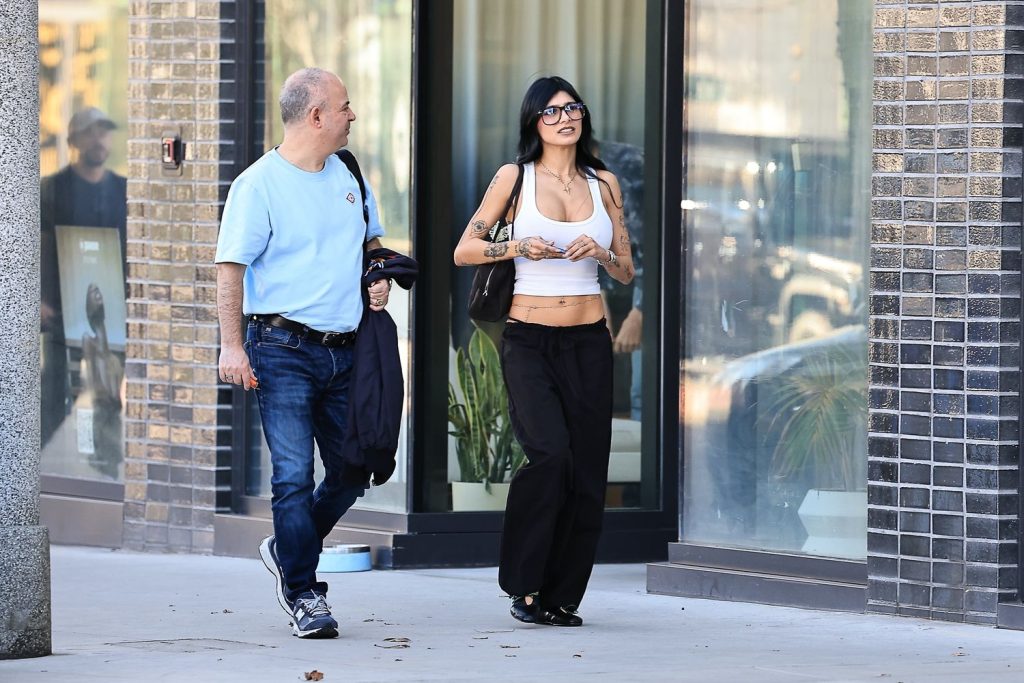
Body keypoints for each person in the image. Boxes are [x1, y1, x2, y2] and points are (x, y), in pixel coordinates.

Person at [215, 67, 392, 639]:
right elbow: (230, 269)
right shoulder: (258, 185)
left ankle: (288, 547)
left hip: (346, 352)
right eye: (345, 106)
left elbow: (371, 242)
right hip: (281, 348)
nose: (352, 115)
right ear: (316, 116)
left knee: (353, 469)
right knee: (292, 476)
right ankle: (303, 592)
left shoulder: (350, 174)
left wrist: (377, 276)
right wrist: (231, 346)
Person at [453, 76, 635, 627]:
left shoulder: (605, 184)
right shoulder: (514, 178)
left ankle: (562, 596)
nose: (565, 118)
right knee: (551, 456)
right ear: (535, 121)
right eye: (552, 112)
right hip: (529, 339)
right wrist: (517, 246)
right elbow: (465, 250)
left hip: (589, 340)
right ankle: (524, 584)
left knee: (587, 471)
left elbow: (626, 270)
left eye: (572, 108)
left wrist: (600, 252)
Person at [40, 107, 127, 449]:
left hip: (112, 313)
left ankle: (102, 463)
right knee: (56, 393)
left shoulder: (123, 190)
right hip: (61, 310)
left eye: (104, 131)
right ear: (73, 140)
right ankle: (30, 465)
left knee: (107, 397)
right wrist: (40, 299)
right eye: (90, 132)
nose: (98, 139)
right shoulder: (52, 189)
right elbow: (35, 247)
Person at [81, 283, 124, 478]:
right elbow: (92, 380)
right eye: (94, 294)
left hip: (112, 407)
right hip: (101, 406)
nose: (98, 296)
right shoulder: (88, 341)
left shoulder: (109, 353)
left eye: (99, 293)